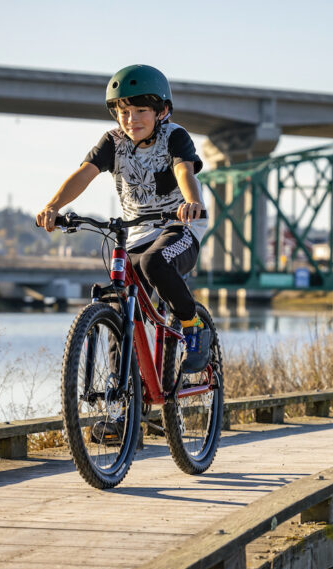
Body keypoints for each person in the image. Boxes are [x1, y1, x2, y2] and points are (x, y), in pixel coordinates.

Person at [36, 64, 211, 374]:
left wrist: (193, 201)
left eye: (141, 110)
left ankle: (193, 325)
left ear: (162, 110)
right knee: (120, 307)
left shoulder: (174, 136)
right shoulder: (113, 142)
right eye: (124, 112)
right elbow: (83, 174)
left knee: (154, 263)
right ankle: (123, 408)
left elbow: (183, 169)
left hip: (179, 226)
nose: (131, 120)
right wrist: (53, 206)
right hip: (136, 233)